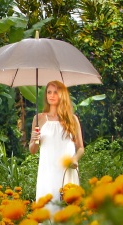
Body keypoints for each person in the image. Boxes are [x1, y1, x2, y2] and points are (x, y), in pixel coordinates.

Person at [29, 80, 84, 216]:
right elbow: (32, 150)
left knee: (66, 210)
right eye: (49, 92)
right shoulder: (39, 118)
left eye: (55, 92)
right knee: (47, 209)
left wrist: (75, 159)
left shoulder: (72, 119)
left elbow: (81, 147)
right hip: (47, 173)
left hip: (67, 171)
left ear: (62, 95)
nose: (51, 95)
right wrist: (35, 139)